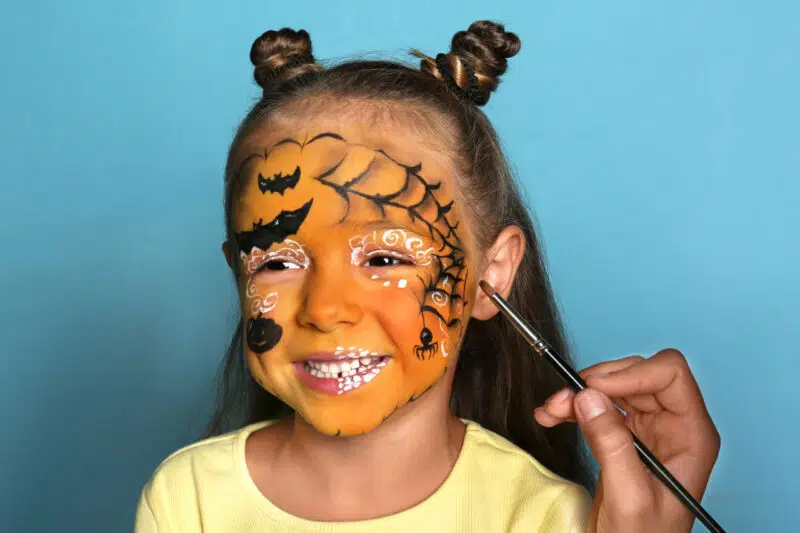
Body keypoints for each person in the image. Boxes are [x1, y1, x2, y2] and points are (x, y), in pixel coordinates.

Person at [134, 20, 721, 533]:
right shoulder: (190, 498)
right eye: (278, 263)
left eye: (385, 258)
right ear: (239, 275)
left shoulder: (549, 517)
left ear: (492, 273)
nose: (325, 309)